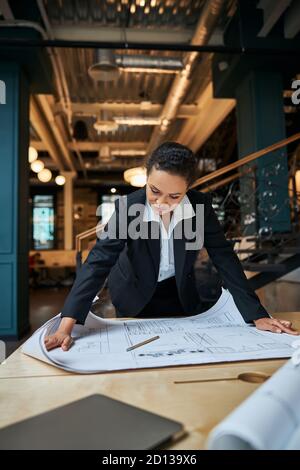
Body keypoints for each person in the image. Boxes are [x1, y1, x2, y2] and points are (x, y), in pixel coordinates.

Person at [45, 142, 298, 351]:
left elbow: (224, 258)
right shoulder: (127, 208)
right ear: (146, 177)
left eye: (174, 196)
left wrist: (258, 315)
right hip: (133, 292)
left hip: (177, 291)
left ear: (188, 189)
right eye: (154, 190)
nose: (161, 202)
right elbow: (98, 262)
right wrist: (66, 326)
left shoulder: (200, 208)